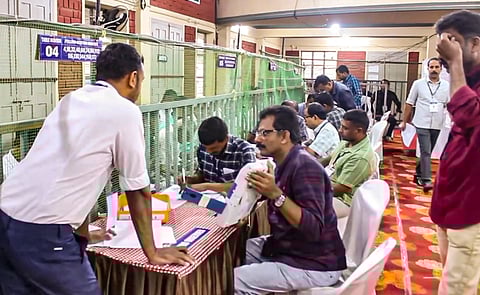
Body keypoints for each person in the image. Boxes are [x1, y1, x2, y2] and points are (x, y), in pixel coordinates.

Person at [0, 43, 193, 295]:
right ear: (133, 78)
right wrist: (153, 252)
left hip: (5, 213)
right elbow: (138, 190)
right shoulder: (125, 111)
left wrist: (82, 236)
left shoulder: (71, 99)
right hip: (42, 233)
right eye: (142, 80)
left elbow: (71, 171)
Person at [234, 106, 346, 294]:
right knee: (234, 250)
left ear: (284, 136)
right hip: (290, 249)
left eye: (265, 133)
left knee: (236, 280)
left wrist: (276, 195)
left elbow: (314, 229)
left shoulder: (305, 168)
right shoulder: (284, 163)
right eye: (257, 132)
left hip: (315, 263)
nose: (257, 139)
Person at [432, 10, 480, 295]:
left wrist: (455, 63)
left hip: (471, 209)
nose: (445, 49)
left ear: (475, 44)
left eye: (453, 41)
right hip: (451, 202)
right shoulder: (467, 79)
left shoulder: (464, 78)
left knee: (458, 289)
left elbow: (469, 115)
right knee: (450, 280)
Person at [400, 57, 450, 192]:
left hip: (437, 123)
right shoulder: (418, 84)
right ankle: (426, 179)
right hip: (421, 122)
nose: (434, 70)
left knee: (427, 151)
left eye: (436, 67)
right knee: (426, 151)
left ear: (441, 69)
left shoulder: (446, 86)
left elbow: (449, 104)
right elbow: (409, 103)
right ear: (427, 69)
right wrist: (404, 121)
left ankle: (418, 173)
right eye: (431, 67)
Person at [181, 116, 256, 192]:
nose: (208, 151)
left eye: (213, 148)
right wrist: (191, 180)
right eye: (206, 148)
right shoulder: (202, 149)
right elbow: (202, 175)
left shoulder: (244, 150)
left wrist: (207, 186)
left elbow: (249, 185)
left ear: (226, 139)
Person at [323, 109, 376, 218]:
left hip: (344, 200)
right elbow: (329, 159)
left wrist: (312, 190)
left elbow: (339, 189)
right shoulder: (348, 141)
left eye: (345, 128)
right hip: (329, 184)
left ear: (359, 130)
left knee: (301, 210)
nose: (340, 130)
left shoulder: (360, 157)